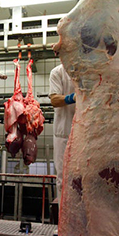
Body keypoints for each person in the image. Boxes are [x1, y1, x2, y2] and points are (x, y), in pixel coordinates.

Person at [49, 63, 76, 203]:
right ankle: (64, 214)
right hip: (63, 132)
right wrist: (73, 98)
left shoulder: (86, 70)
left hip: (85, 132)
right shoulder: (57, 72)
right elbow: (54, 100)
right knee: (63, 178)